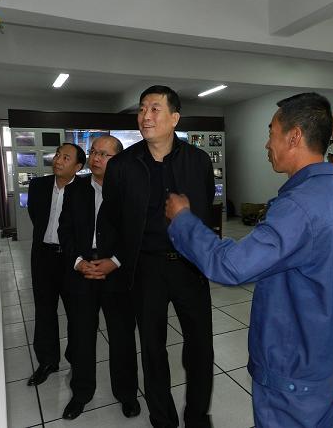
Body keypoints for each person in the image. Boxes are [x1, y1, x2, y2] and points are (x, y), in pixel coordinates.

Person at [166, 92, 333, 428]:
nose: (267, 144)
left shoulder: (297, 209)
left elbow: (231, 265)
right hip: (324, 367)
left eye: (271, 133)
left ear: (294, 137)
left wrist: (183, 220)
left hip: (291, 374)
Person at [99, 85, 215, 428]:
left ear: (174, 118)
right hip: (145, 267)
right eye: (141, 109)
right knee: (152, 347)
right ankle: (162, 418)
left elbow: (205, 209)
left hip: (190, 266)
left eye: (154, 109)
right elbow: (111, 218)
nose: (145, 116)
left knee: (200, 347)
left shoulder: (198, 161)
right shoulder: (122, 166)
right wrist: (114, 259)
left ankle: (197, 417)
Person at [57, 135, 140, 420]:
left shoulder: (128, 191)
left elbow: (135, 233)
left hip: (116, 274)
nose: (95, 158)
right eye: (93, 152)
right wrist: (78, 262)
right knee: (81, 336)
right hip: (82, 271)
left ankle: (127, 394)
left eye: (104, 154)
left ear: (118, 160)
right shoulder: (75, 188)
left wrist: (114, 262)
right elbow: (65, 230)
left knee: (122, 337)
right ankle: (81, 393)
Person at [26, 142, 86, 386]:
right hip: (43, 256)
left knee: (76, 313)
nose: (58, 160)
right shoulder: (38, 186)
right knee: (44, 310)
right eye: (58, 155)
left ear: (78, 166)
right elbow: (35, 216)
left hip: (72, 259)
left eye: (66, 157)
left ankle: (76, 359)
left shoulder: (85, 190)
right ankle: (47, 361)